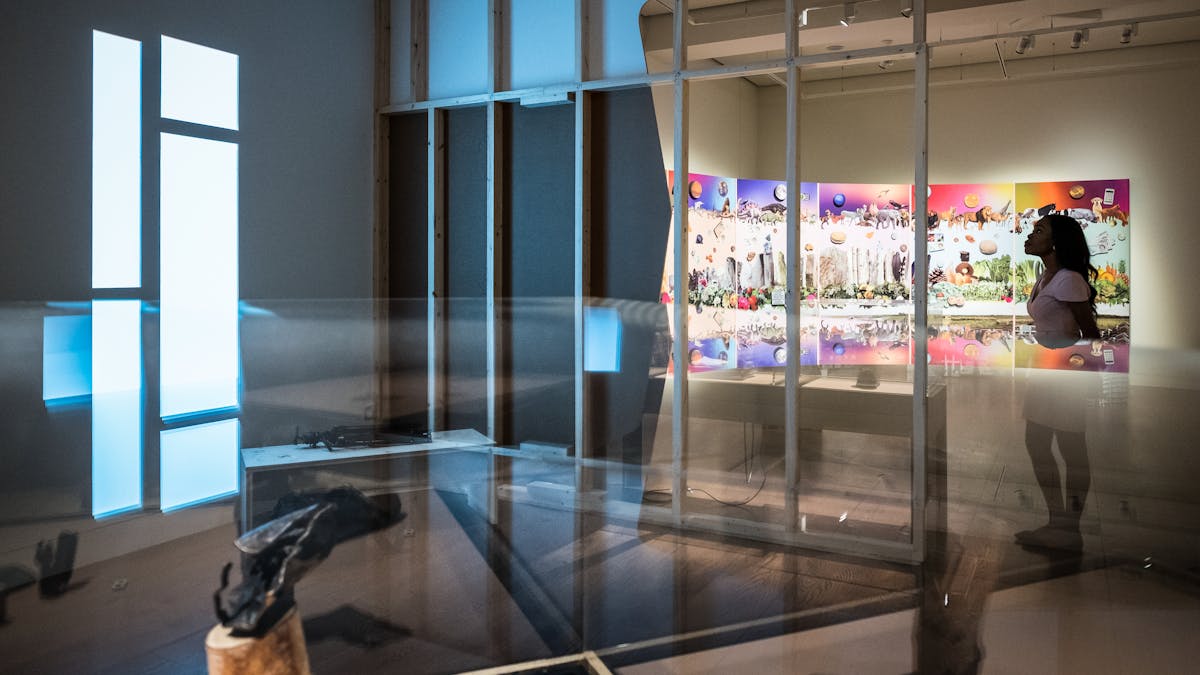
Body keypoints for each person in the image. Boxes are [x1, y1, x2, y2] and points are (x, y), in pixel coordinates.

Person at [1017, 214, 1101, 551]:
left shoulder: (1067, 279)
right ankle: (1058, 524)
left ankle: (1069, 528)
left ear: (1056, 242)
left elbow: (1089, 331)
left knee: (1071, 449)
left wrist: (1092, 376)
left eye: (1039, 231)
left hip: (1064, 375)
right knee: (1038, 444)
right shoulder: (1047, 277)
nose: (1030, 235)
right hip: (1045, 370)